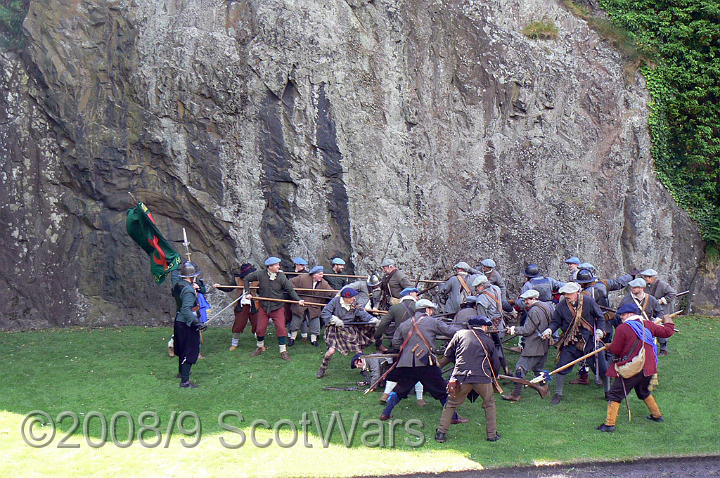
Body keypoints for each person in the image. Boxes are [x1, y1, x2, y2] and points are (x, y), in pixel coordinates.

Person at [596, 302, 675, 432]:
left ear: (630, 314)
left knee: (615, 394)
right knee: (643, 391)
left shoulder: (623, 328)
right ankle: (657, 415)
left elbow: (616, 349)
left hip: (633, 368)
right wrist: (668, 320)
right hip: (649, 367)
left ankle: (609, 425)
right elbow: (667, 331)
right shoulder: (648, 324)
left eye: (623, 314)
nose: (621, 317)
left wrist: (610, 346)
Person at [380, 299, 462, 420]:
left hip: (406, 364)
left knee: (400, 390)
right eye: (431, 309)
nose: (432, 311)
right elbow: (450, 331)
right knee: (441, 390)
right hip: (426, 363)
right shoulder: (432, 321)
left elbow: (396, 342)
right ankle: (454, 417)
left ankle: (386, 413)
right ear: (427, 309)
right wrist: (466, 331)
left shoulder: (405, 324)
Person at [435, 316, 502, 443]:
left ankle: (441, 433)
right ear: (483, 327)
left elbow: (448, 354)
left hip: (461, 377)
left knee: (450, 404)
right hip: (483, 378)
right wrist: (494, 376)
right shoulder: (488, 340)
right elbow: (496, 362)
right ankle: (492, 435)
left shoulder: (459, 334)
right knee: (489, 404)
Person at [541, 282, 607, 404]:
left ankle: (608, 393)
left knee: (601, 367)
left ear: (577, 292)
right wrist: (549, 330)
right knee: (561, 367)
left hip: (590, 342)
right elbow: (556, 321)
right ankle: (558, 394)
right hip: (571, 342)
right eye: (566, 293)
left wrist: (599, 331)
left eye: (570, 293)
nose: (567, 296)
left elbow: (600, 317)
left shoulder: (588, 301)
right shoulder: (561, 305)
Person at [571, 268, 633, 383]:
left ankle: (603, 375)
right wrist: (631, 276)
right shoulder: (603, 284)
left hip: (594, 324)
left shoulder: (584, 294)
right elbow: (619, 282)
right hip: (608, 322)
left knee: (592, 351)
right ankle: (607, 373)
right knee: (608, 349)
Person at [242, 256, 305, 361]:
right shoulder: (260, 274)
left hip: (277, 307)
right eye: (276, 265)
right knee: (260, 329)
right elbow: (247, 278)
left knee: (281, 328)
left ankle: (283, 351)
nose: (278, 266)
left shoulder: (281, 277)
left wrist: (298, 300)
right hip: (264, 307)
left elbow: (290, 290)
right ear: (270, 267)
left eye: (278, 264)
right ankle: (260, 347)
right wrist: (248, 293)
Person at [316, 288, 379, 378]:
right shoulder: (335, 301)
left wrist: (373, 320)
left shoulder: (354, 304)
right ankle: (322, 368)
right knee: (331, 351)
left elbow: (363, 314)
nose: (354, 299)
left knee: (358, 350)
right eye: (352, 297)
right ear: (345, 298)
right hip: (334, 329)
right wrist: (334, 319)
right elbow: (325, 312)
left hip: (349, 330)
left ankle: (363, 369)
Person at [503, 289, 553, 401]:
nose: (526, 302)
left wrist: (512, 329)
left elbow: (527, 330)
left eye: (528, 299)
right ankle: (545, 389)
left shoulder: (534, 311)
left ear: (534, 298)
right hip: (544, 344)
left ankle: (516, 394)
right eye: (525, 299)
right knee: (539, 369)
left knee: (520, 368)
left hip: (534, 345)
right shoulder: (547, 306)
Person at [171, 261, 205, 388]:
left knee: (181, 348)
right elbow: (186, 309)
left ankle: (181, 373)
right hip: (186, 323)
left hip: (179, 321)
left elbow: (173, 276)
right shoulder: (189, 290)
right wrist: (197, 323)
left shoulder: (177, 284)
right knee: (189, 350)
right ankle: (185, 381)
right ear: (192, 277)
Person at [214, 263, 258, 351]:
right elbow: (229, 288)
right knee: (238, 325)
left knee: (257, 324)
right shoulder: (238, 280)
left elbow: (263, 291)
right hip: (242, 306)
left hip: (254, 305)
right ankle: (234, 344)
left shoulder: (257, 281)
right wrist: (219, 286)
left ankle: (260, 344)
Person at [288, 265, 334, 347]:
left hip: (314, 303)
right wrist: (297, 295)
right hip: (302, 301)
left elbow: (330, 292)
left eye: (322, 274)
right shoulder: (302, 278)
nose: (322, 276)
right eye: (320, 274)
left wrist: (339, 295)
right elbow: (290, 283)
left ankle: (314, 339)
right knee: (297, 318)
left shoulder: (323, 283)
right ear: (314, 274)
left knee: (315, 320)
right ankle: (292, 338)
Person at [641, 269, 678, 356]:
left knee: (661, 329)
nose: (646, 278)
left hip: (663, 311)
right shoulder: (645, 286)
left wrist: (662, 300)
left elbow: (672, 293)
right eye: (645, 277)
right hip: (651, 311)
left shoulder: (662, 285)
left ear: (653, 278)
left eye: (648, 277)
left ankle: (663, 349)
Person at [375, 287, 418, 354]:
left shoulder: (394, 308)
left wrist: (377, 336)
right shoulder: (420, 307)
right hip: (418, 342)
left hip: (400, 342)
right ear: (410, 294)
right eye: (416, 295)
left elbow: (383, 324)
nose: (417, 297)